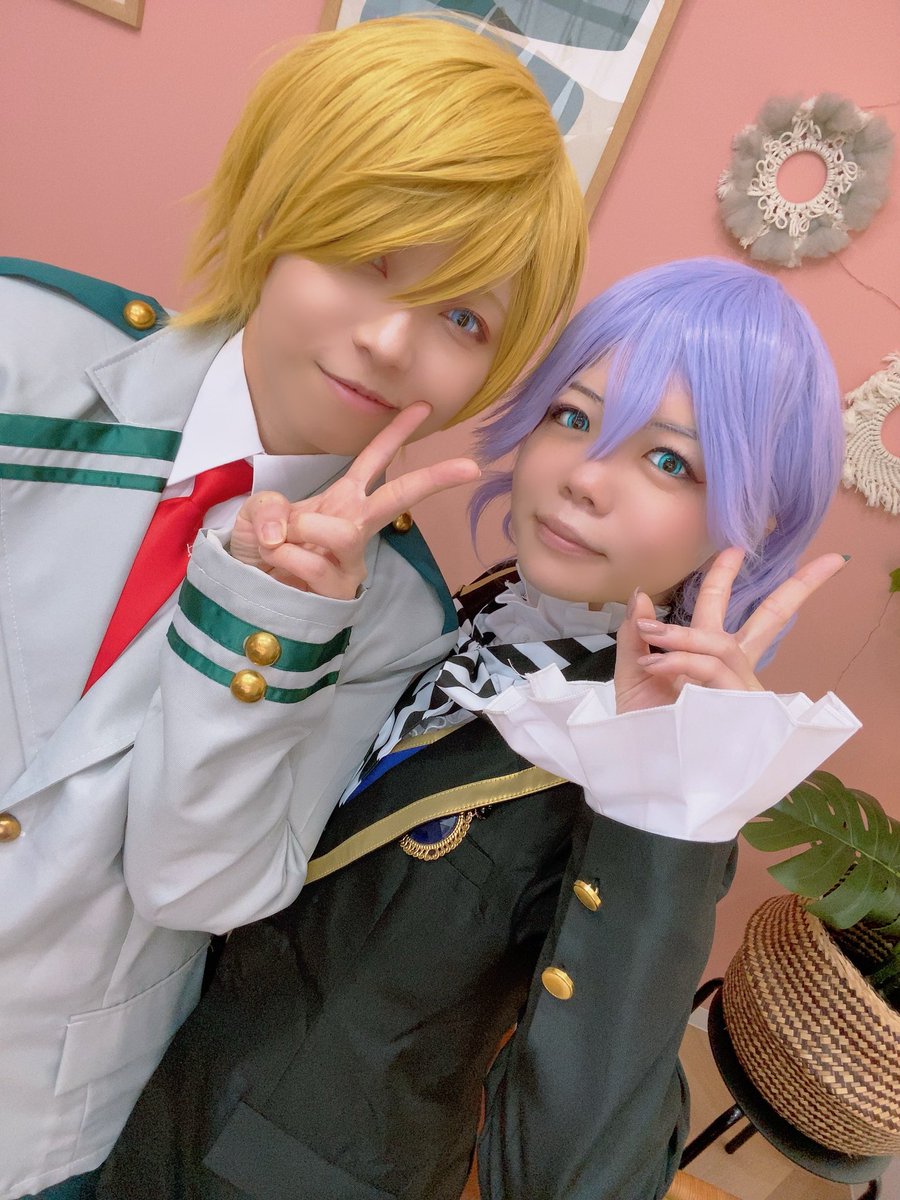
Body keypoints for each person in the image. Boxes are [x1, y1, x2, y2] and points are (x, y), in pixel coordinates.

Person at [96, 258, 860, 1200]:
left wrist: (664, 812)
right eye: (572, 417)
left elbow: (578, 1181)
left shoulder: (645, 759)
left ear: (753, 519)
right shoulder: (474, 606)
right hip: (148, 1093)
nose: (585, 478)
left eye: (669, 461)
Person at [0, 16, 586, 1200]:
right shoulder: (26, 355)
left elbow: (198, 888)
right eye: (366, 254)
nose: (389, 341)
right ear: (281, 206)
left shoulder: (394, 613)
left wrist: (265, 627)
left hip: (34, 1118)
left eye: (463, 319)